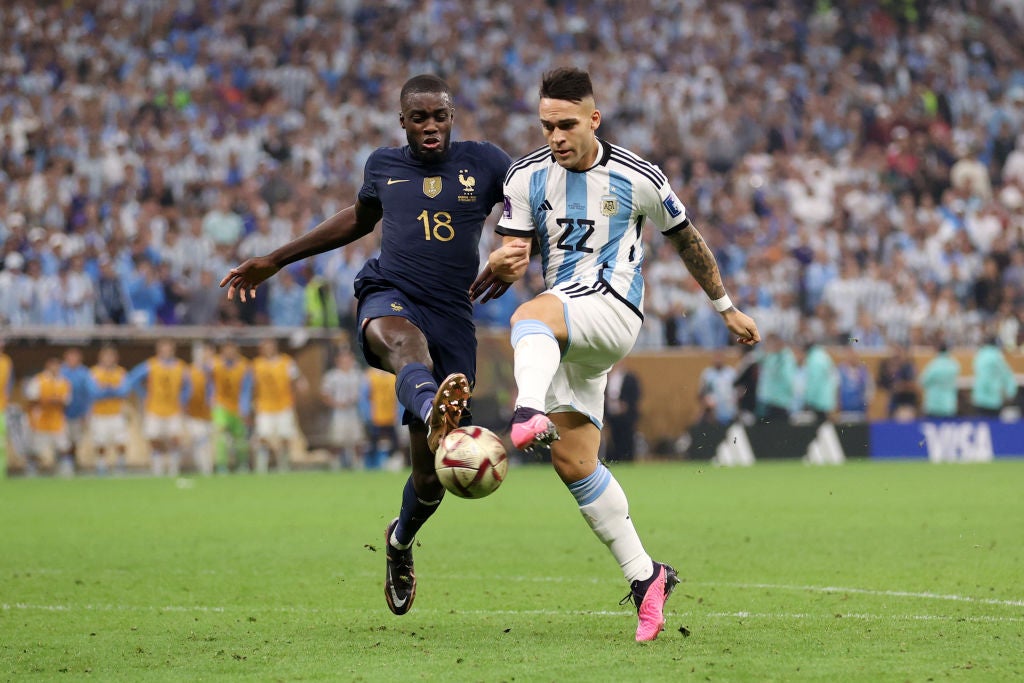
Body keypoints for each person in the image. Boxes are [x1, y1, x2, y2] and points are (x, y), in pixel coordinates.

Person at [480, 68, 759, 641]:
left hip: (611, 310)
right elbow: (514, 252)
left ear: (594, 119)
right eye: (546, 125)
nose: (555, 135)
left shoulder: (639, 177)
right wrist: (502, 265)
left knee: (528, 318)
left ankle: (526, 410)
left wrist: (725, 306)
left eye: (566, 124)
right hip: (568, 330)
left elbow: (687, 238)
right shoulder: (526, 175)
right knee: (576, 463)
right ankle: (647, 577)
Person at [221, 75, 512, 616]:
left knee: (430, 482)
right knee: (404, 347)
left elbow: (532, 208)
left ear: (453, 117)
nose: (431, 126)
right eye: (419, 117)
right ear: (402, 122)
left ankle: (399, 542)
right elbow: (359, 218)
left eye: (440, 116)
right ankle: (432, 406)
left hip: (453, 314)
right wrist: (278, 258)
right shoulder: (383, 166)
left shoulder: (488, 163)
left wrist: (514, 252)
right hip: (391, 292)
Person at [128, 339, 191, 476]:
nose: (166, 352)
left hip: (173, 408)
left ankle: (173, 469)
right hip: (154, 408)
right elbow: (132, 378)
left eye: (168, 349)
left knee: (175, 438)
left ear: (173, 350)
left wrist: (183, 400)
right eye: (163, 349)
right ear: (158, 351)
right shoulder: (151, 365)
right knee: (153, 438)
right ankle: (158, 468)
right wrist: (143, 394)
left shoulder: (180, 366)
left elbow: (188, 386)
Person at [249, 337, 307, 473]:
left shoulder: (286, 361)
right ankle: (261, 468)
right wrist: (251, 404)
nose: (268, 349)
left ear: (275, 347)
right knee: (263, 437)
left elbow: (297, 378)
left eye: (270, 346)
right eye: (265, 346)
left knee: (285, 437)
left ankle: (284, 466)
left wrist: (300, 386)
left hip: (284, 405)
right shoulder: (257, 364)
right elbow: (251, 385)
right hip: (264, 406)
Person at [209, 340, 253, 473]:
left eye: (232, 349)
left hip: (237, 406)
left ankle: (242, 464)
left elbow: (247, 389)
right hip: (220, 405)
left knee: (240, 438)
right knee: (220, 434)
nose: (229, 353)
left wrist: (244, 408)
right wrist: (209, 398)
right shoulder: (214, 364)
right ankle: (222, 465)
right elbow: (206, 380)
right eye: (226, 350)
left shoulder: (245, 366)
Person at [320, 347, 366, 470]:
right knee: (336, 439)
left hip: (354, 411)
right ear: (337, 360)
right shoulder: (332, 376)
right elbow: (325, 394)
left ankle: (358, 464)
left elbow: (364, 393)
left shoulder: (358, 375)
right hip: (338, 412)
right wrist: (336, 403)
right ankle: (335, 464)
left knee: (357, 439)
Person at [24, 358, 71, 476]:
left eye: (57, 366)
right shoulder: (38, 380)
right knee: (36, 447)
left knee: (63, 446)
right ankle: (32, 468)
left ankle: (65, 469)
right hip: (41, 419)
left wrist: (57, 401)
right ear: (47, 366)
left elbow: (67, 401)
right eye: (52, 365)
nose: (55, 368)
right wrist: (46, 400)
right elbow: (31, 399)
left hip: (57, 419)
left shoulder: (64, 382)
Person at [88, 345, 130, 475]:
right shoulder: (94, 372)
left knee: (121, 440)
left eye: (111, 356)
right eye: (105, 356)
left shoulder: (121, 372)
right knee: (100, 441)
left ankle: (120, 463)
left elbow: (124, 391)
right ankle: (101, 464)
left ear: (116, 358)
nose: (108, 359)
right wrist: (112, 389)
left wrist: (105, 388)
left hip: (116, 412)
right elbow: (93, 393)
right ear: (100, 358)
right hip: (99, 413)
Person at [60, 347, 93, 474]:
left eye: (75, 357)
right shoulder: (61, 372)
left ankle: (72, 462)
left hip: (78, 412)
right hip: (61, 413)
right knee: (62, 441)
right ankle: (62, 463)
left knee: (75, 439)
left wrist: (86, 412)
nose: (72, 359)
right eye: (70, 357)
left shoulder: (84, 373)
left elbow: (89, 394)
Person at [184, 342, 214, 475]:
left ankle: (208, 468)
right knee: (199, 439)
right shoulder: (189, 371)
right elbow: (184, 391)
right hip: (193, 412)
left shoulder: (211, 371)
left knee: (208, 441)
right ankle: (204, 469)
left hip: (208, 412)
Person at [970, 337, 1018, 418]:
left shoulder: (979, 355)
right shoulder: (997, 356)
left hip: (979, 397)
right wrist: (1011, 391)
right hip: (993, 398)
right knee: (993, 423)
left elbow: (975, 370)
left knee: (983, 422)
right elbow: (1006, 374)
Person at [756, 333, 798, 423]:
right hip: (767, 400)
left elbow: (789, 380)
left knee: (779, 431)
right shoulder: (770, 356)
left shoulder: (786, 357)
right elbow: (757, 359)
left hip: (781, 402)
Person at [604, 363, 642, 461]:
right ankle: (615, 459)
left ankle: (628, 458)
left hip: (627, 417)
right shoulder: (606, 378)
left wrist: (626, 405)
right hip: (612, 416)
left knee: (627, 439)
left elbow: (636, 394)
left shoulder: (630, 378)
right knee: (614, 439)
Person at [919, 341, 961, 419]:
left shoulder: (934, 365)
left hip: (934, 404)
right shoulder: (954, 365)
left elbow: (923, 381)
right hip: (949, 404)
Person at [800, 340, 838, 424]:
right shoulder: (823, 355)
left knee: (821, 425)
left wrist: (808, 399)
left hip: (818, 399)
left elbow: (814, 382)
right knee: (825, 423)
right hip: (827, 397)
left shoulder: (814, 360)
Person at [877, 345, 919, 421]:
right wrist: (889, 374)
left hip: (907, 402)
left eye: (899, 353)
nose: (896, 357)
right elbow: (882, 383)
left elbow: (913, 384)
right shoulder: (886, 366)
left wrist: (901, 386)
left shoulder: (908, 367)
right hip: (893, 401)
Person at [697, 350, 738, 425]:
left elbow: (738, 391)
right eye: (716, 357)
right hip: (713, 414)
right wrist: (707, 402)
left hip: (730, 411)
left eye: (720, 357)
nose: (718, 360)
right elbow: (700, 394)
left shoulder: (731, 373)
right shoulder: (707, 374)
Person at [836, 345, 874, 421]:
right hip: (844, 411)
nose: (852, 357)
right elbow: (836, 389)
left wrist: (868, 406)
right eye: (850, 355)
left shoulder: (864, 371)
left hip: (860, 411)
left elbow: (870, 390)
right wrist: (837, 404)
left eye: (854, 355)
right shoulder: (840, 370)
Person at [0, 339, 11, 476]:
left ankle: (1, 471)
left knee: (1, 441)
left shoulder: (6, 361)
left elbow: (8, 384)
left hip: (1, 407)